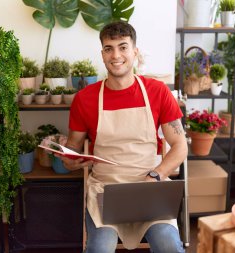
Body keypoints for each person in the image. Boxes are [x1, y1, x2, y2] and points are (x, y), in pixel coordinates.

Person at [59, 21, 188, 253]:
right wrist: (69, 160)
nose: (116, 55)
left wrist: (156, 175)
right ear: (102, 54)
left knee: (168, 244)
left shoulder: (157, 91)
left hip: (150, 187)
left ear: (135, 52)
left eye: (123, 47)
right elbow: (72, 150)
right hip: (105, 191)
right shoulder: (85, 99)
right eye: (109, 48)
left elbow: (180, 146)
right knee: (99, 248)